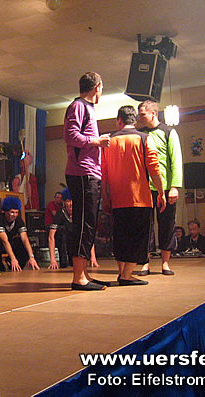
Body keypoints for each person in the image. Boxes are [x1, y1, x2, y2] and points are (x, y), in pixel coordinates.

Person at [101, 105, 166, 286]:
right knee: (138, 238)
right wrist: (161, 192)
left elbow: (103, 173)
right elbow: (154, 168)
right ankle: (127, 275)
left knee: (120, 238)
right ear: (135, 121)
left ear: (119, 121)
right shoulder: (144, 138)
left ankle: (122, 272)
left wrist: (105, 197)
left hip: (116, 199)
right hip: (139, 198)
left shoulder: (108, 141)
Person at [64, 71, 110, 290]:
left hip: (89, 173)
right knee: (84, 223)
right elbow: (70, 136)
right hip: (82, 173)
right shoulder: (78, 106)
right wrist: (97, 141)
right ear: (97, 87)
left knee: (89, 223)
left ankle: (83, 273)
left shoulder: (87, 108)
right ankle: (78, 277)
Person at [136, 100, 183, 276]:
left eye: (142, 114)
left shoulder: (169, 132)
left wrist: (174, 187)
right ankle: (145, 263)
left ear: (153, 113)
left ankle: (165, 263)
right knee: (145, 225)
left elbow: (176, 160)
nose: (140, 118)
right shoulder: (140, 134)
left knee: (167, 224)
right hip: (145, 188)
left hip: (165, 187)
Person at [48, 188, 100, 270]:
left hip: (76, 244)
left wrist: (93, 257)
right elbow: (51, 237)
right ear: (64, 202)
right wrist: (52, 259)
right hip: (64, 244)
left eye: (73, 201)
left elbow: (89, 236)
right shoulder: (60, 214)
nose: (71, 204)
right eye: (68, 201)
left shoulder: (81, 215)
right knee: (62, 230)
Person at [0, 197, 40, 272]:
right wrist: (13, 258)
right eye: (12, 212)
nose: (15, 215)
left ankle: (15, 264)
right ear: (5, 211)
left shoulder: (18, 220)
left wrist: (31, 257)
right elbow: (4, 241)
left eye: (16, 212)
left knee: (21, 242)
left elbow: (25, 239)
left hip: (9, 242)